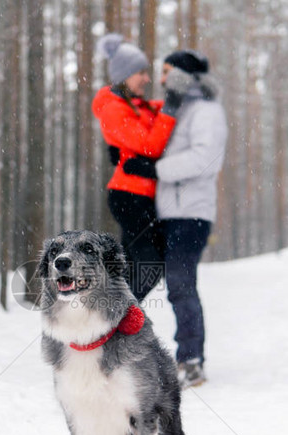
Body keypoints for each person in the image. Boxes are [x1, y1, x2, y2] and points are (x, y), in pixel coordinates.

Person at [122, 50, 228, 387]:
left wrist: (156, 169)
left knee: (180, 283)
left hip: (191, 213)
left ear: (184, 74)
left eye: (168, 72)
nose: (162, 79)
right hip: (165, 213)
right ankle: (116, 353)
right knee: (138, 279)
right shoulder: (175, 110)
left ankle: (191, 360)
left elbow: (204, 158)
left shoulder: (207, 111)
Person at [92, 34, 187, 302]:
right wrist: (170, 108)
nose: (147, 79)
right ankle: (120, 319)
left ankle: (111, 319)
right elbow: (150, 146)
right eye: (141, 73)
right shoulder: (114, 110)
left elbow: (160, 114)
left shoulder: (136, 106)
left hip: (141, 197)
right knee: (150, 263)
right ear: (124, 75)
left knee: (132, 267)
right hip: (128, 197)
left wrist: (181, 99)